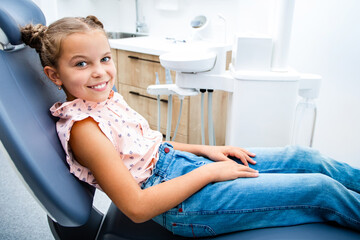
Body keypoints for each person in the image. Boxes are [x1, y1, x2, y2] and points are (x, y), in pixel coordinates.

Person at [21, 16, 360, 237]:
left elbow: (146, 145)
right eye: (82, 64)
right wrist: (210, 172)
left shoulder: (104, 99)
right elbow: (137, 208)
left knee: (304, 157)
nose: (100, 72)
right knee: (318, 189)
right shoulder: (85, 130)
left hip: (180, 167)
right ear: (54, 75)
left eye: (105, 59)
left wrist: (206, 151)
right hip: (181, 206)